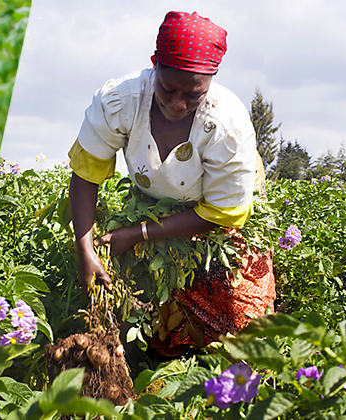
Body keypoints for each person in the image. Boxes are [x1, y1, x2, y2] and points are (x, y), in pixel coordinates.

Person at [68, 12, 275, 357]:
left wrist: (139, 233)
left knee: (239, 309)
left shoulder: (229, 126)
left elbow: (223, 212)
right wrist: (84, 247)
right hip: (158, 196)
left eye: (193, 95)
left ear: (210, 82)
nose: (178, 104)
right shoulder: (120, 101)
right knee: (158, 303)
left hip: (217, 208)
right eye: (168, 89)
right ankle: (163, 359)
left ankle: (227, 371)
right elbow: (86, 174)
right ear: (155, 66)